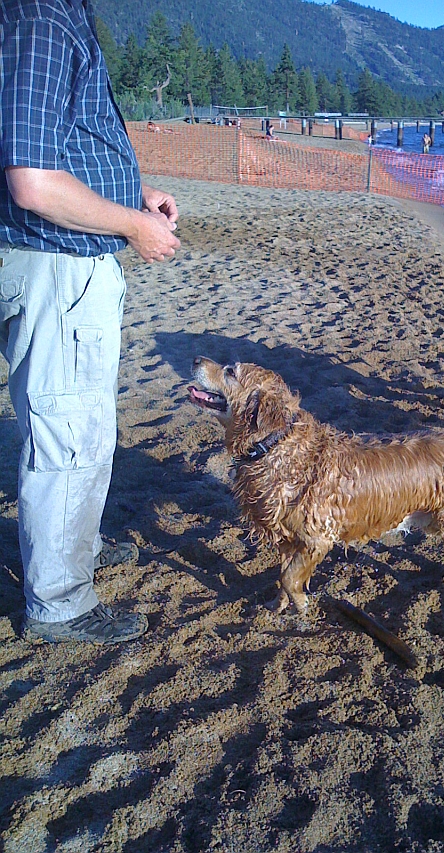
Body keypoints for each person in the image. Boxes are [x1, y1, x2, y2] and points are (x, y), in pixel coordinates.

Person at [0, 0, 181, 644]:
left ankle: (74, 551)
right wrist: (134, 225)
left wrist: (132, 195)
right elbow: (34, 183)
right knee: (68, 433)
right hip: (57, 264)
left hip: (61, 260)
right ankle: (62, 601)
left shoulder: (54, 14)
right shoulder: (42, 17)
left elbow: (62, 144)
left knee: (73, 423)